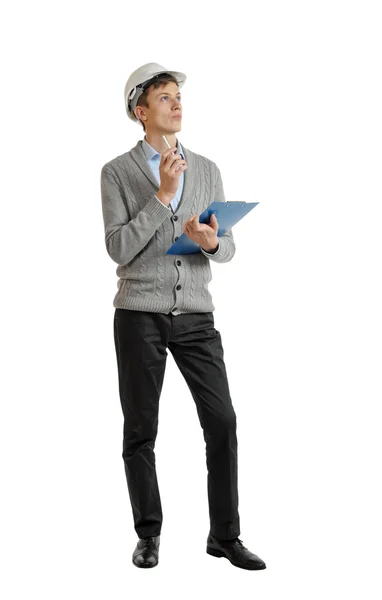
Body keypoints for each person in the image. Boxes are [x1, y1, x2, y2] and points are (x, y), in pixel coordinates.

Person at [100, 62, 266, 571]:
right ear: (140, 110)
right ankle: (148, 535)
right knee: (141, 430)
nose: (176, 103)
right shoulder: (116, 172)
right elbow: (118, 249)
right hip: (139, 315)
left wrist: (212, 242)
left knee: (223, 422)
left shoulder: (209, 168)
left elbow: (227, 245)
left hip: (196, 314)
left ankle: (225, 536)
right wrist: (163, 198)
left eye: (178, 95)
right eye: (165, 96)